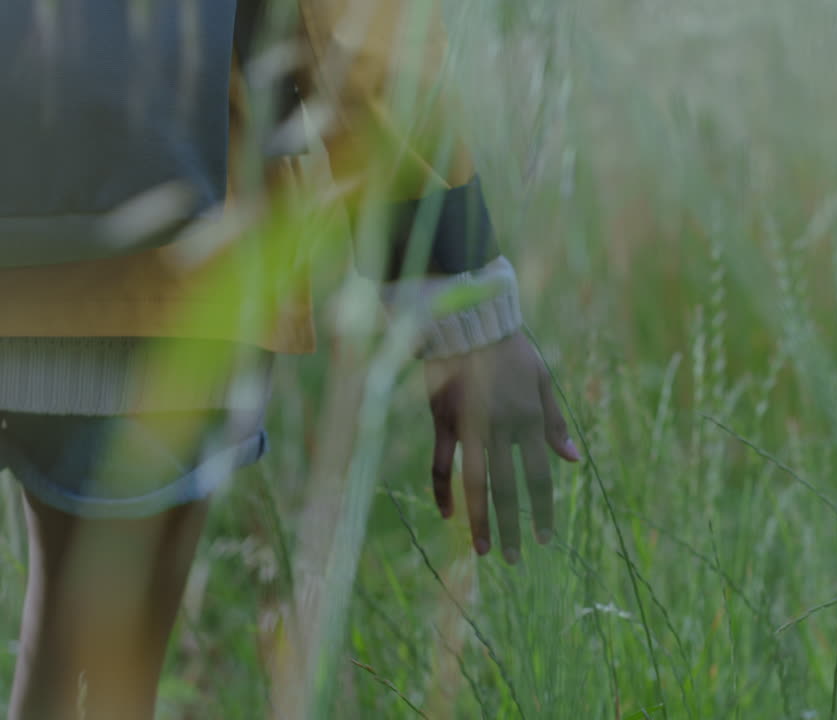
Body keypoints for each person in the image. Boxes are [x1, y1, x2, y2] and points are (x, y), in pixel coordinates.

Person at [0, 0, 578, 717]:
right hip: (154, 248)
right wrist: (459, 296)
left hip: (141, 234)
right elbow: (363, 33)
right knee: (86, 676)